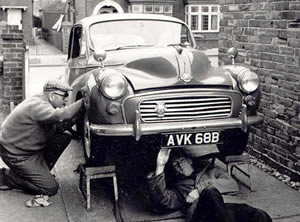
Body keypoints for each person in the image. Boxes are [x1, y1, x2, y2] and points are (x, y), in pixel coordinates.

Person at [0, 79, 84, 201]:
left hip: (25, 149)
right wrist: (85, 100)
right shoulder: (38, 106)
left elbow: (59, 126)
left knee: (63, 136)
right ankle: (8, 177)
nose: (66, 99)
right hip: (16, 155)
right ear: (52, 95)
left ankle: (38, 173)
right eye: (64, 95)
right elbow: (61, 116)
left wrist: (78, 116)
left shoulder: (42, 101)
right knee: (50, 188)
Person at [147, 149, 272, 222]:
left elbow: (232, 184)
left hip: (225, 210)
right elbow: (162, 200)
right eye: (174, 165)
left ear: (190, 160)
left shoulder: (212, 171)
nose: (178, 166)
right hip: (202, 217)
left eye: (180, 161)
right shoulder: (179, 188)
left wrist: (199, 190)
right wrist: (160, 166)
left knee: (260, 215)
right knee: (209, 193)